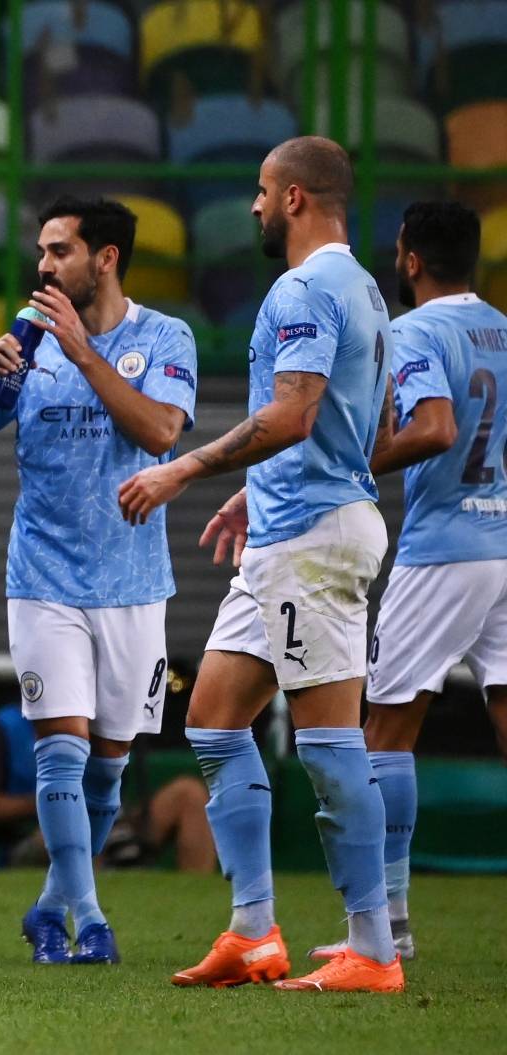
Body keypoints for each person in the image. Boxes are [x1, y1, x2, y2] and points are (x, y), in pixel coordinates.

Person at [118, 136, 401, 993]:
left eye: (261, 190)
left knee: (327, 743)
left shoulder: (308, 287)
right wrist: (262, 486)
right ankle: (252, 931)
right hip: (293, 526)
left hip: (313, 540)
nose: (251, 205)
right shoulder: (366, 290)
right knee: (211, 717)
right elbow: (365, 425)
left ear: (294, 200)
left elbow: (296, 412)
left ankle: (374, 949)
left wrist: (187, 466)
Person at [0, 197, 199, 965]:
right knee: (61, 754)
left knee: (109, 770)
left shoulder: (165, 337)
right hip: (42, 574)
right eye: (41, 250)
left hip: (136, 582)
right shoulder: (30, 338)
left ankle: (48, 906)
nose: (43, 265)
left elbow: (161, 431)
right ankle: (92, 918)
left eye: (60, 250)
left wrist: (80, 354)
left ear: (105, 258)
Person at [303, 201, 507, 964]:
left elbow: (435, 426)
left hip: (445, 547)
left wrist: (352, 467)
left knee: (386, 729)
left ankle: (387, 923)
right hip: (503, 538)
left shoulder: (417, 331)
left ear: (410, 258)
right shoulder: (501, 328)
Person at [0, 704, 216, 874]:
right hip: (35, 837)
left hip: (112, 822)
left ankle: (191, 889)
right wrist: (53, 802)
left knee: (189, 794)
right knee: (71, 824)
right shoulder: (7, 726)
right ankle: (90, 905)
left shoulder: (104, 718)